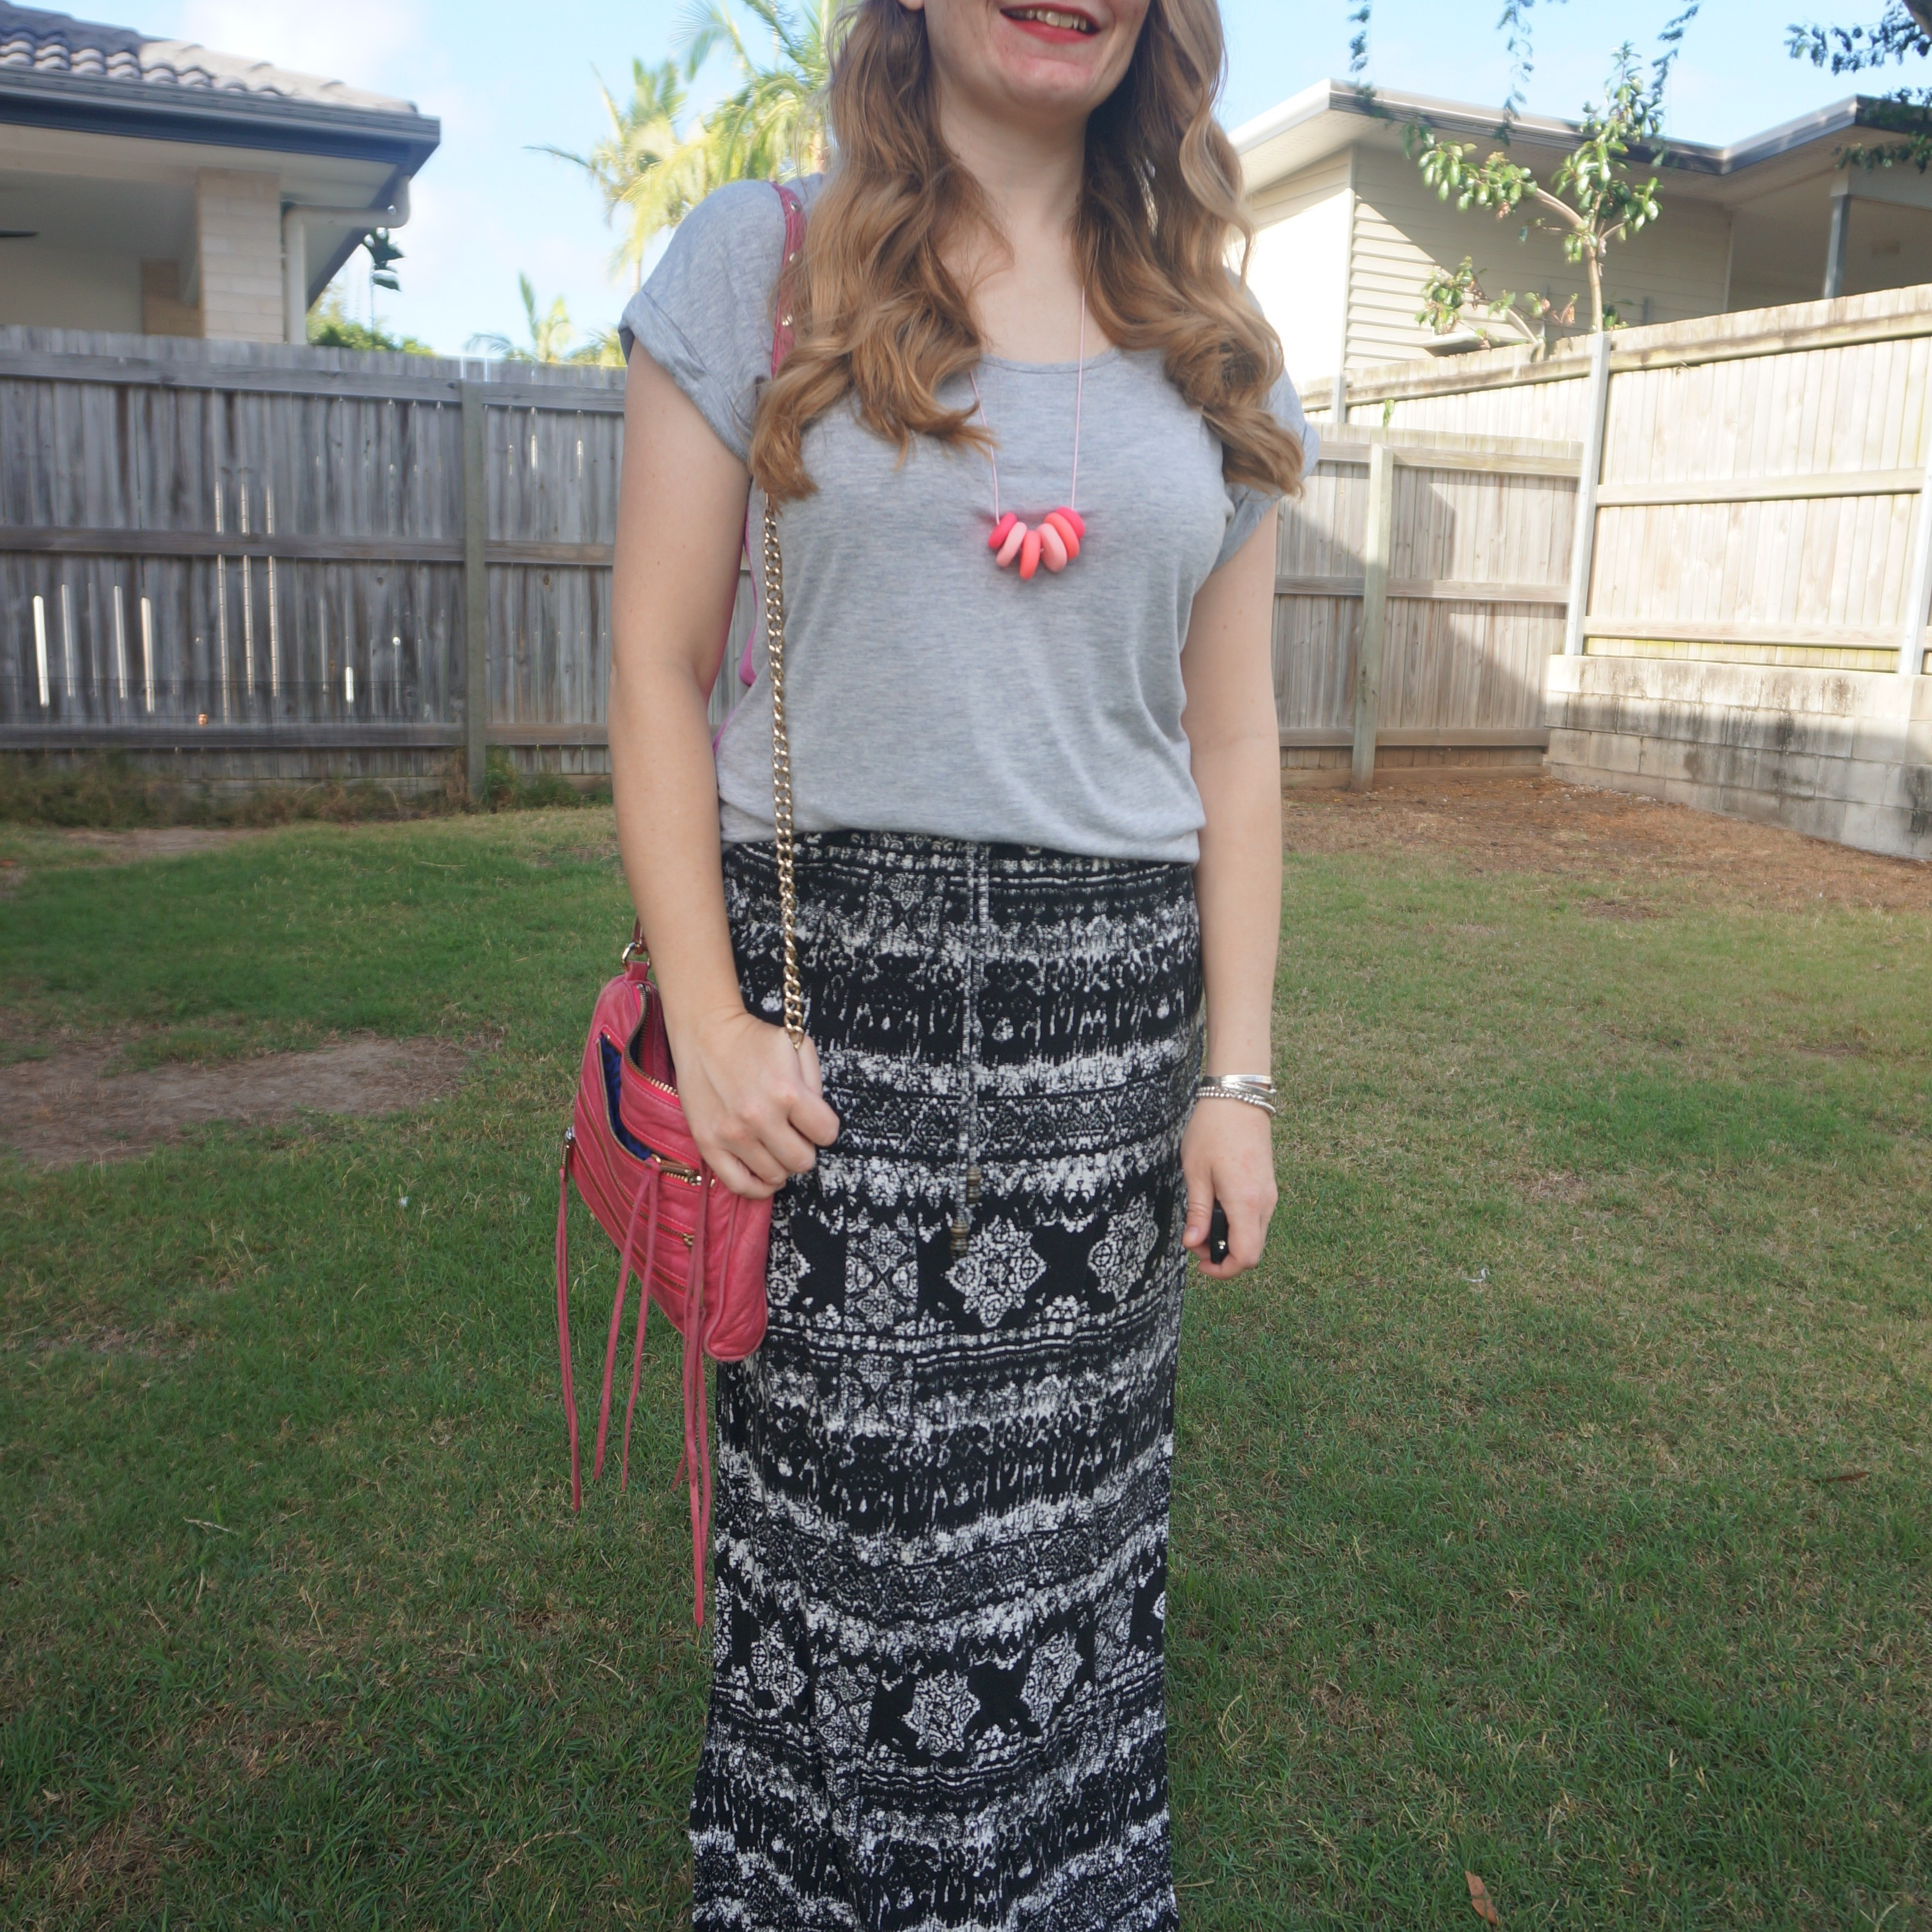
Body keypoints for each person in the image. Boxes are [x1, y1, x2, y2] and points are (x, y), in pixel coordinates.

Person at [608, 0, 1312, 1922]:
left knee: (1070, 1547)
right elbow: (656, 669)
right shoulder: (763, 264)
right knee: (846, 1557)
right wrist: (708, 1021)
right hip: (834, 1046)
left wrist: (1236, 1081)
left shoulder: (1214, 335)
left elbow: (1235, 743)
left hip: (1108, 1064)